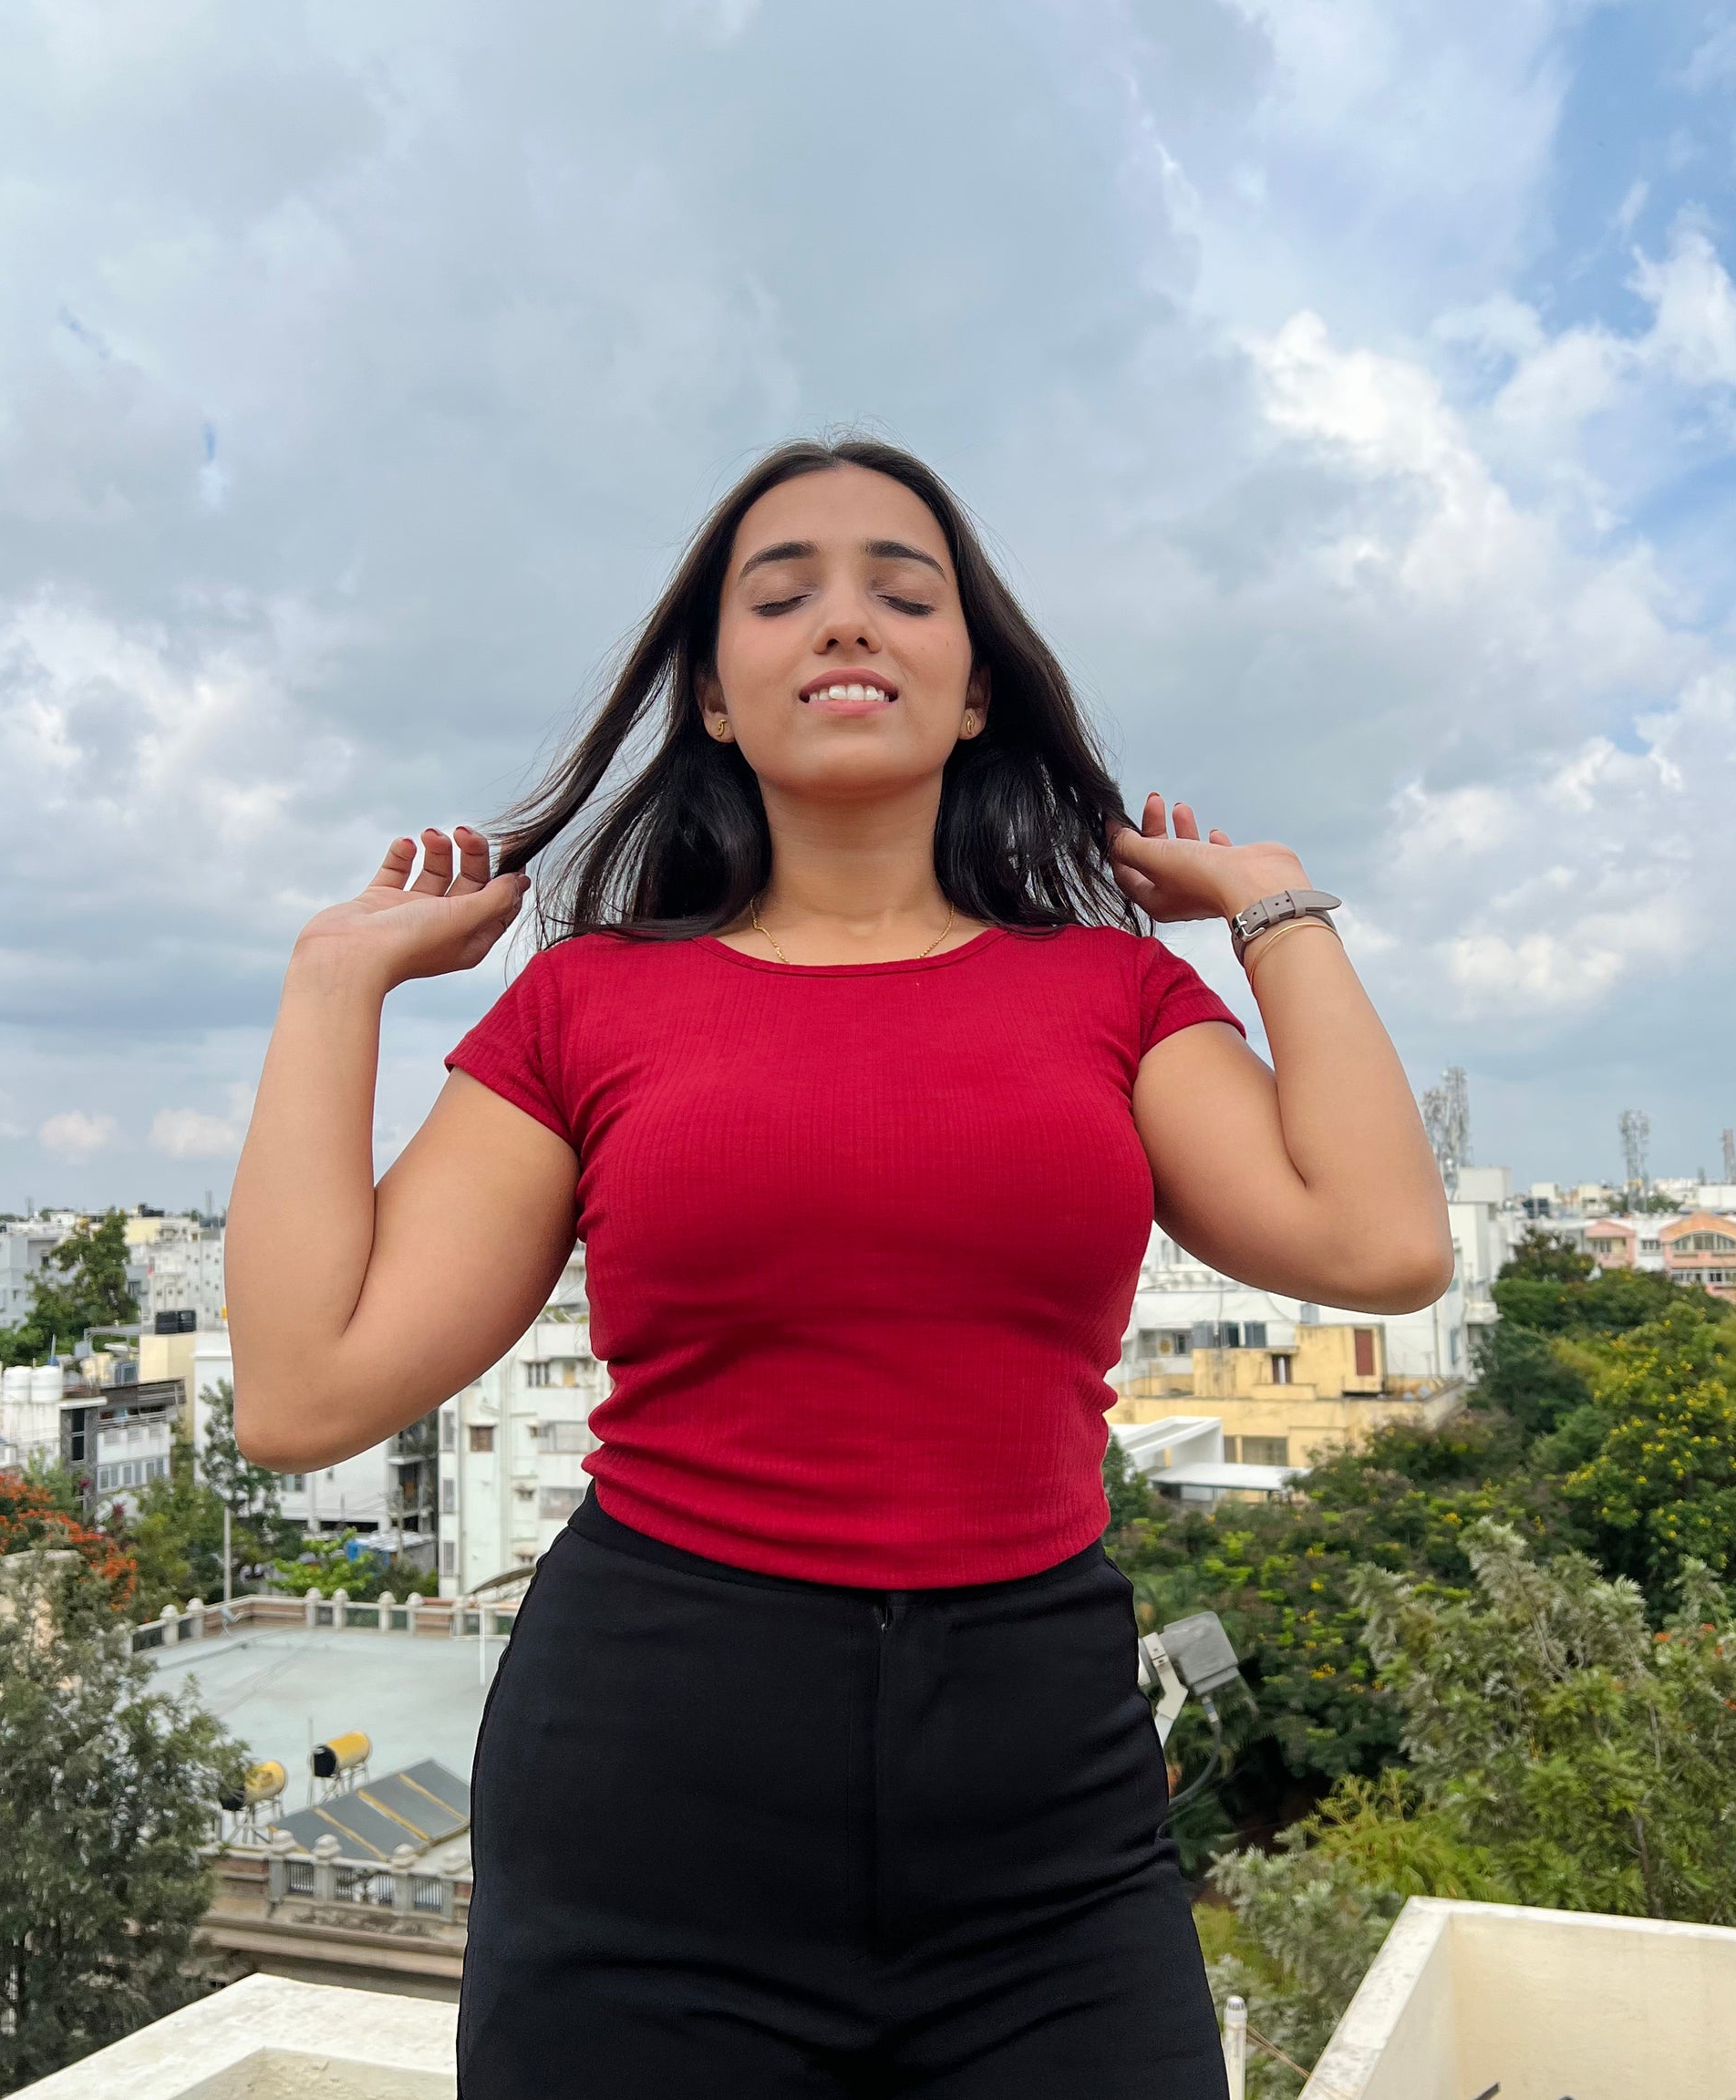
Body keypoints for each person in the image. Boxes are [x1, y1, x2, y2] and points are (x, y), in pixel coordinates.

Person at [227, 436, 1452, 2098]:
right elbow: (308, 1393)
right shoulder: (589, 1003)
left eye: (903, 589)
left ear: (971, 695)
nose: (844, 622)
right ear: (718, 700)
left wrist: (1272, 902)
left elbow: (1379, 1246)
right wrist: (333, 983)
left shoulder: (1110, 993)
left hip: (1049, 1807)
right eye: (781, 593)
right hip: (649, 1794)